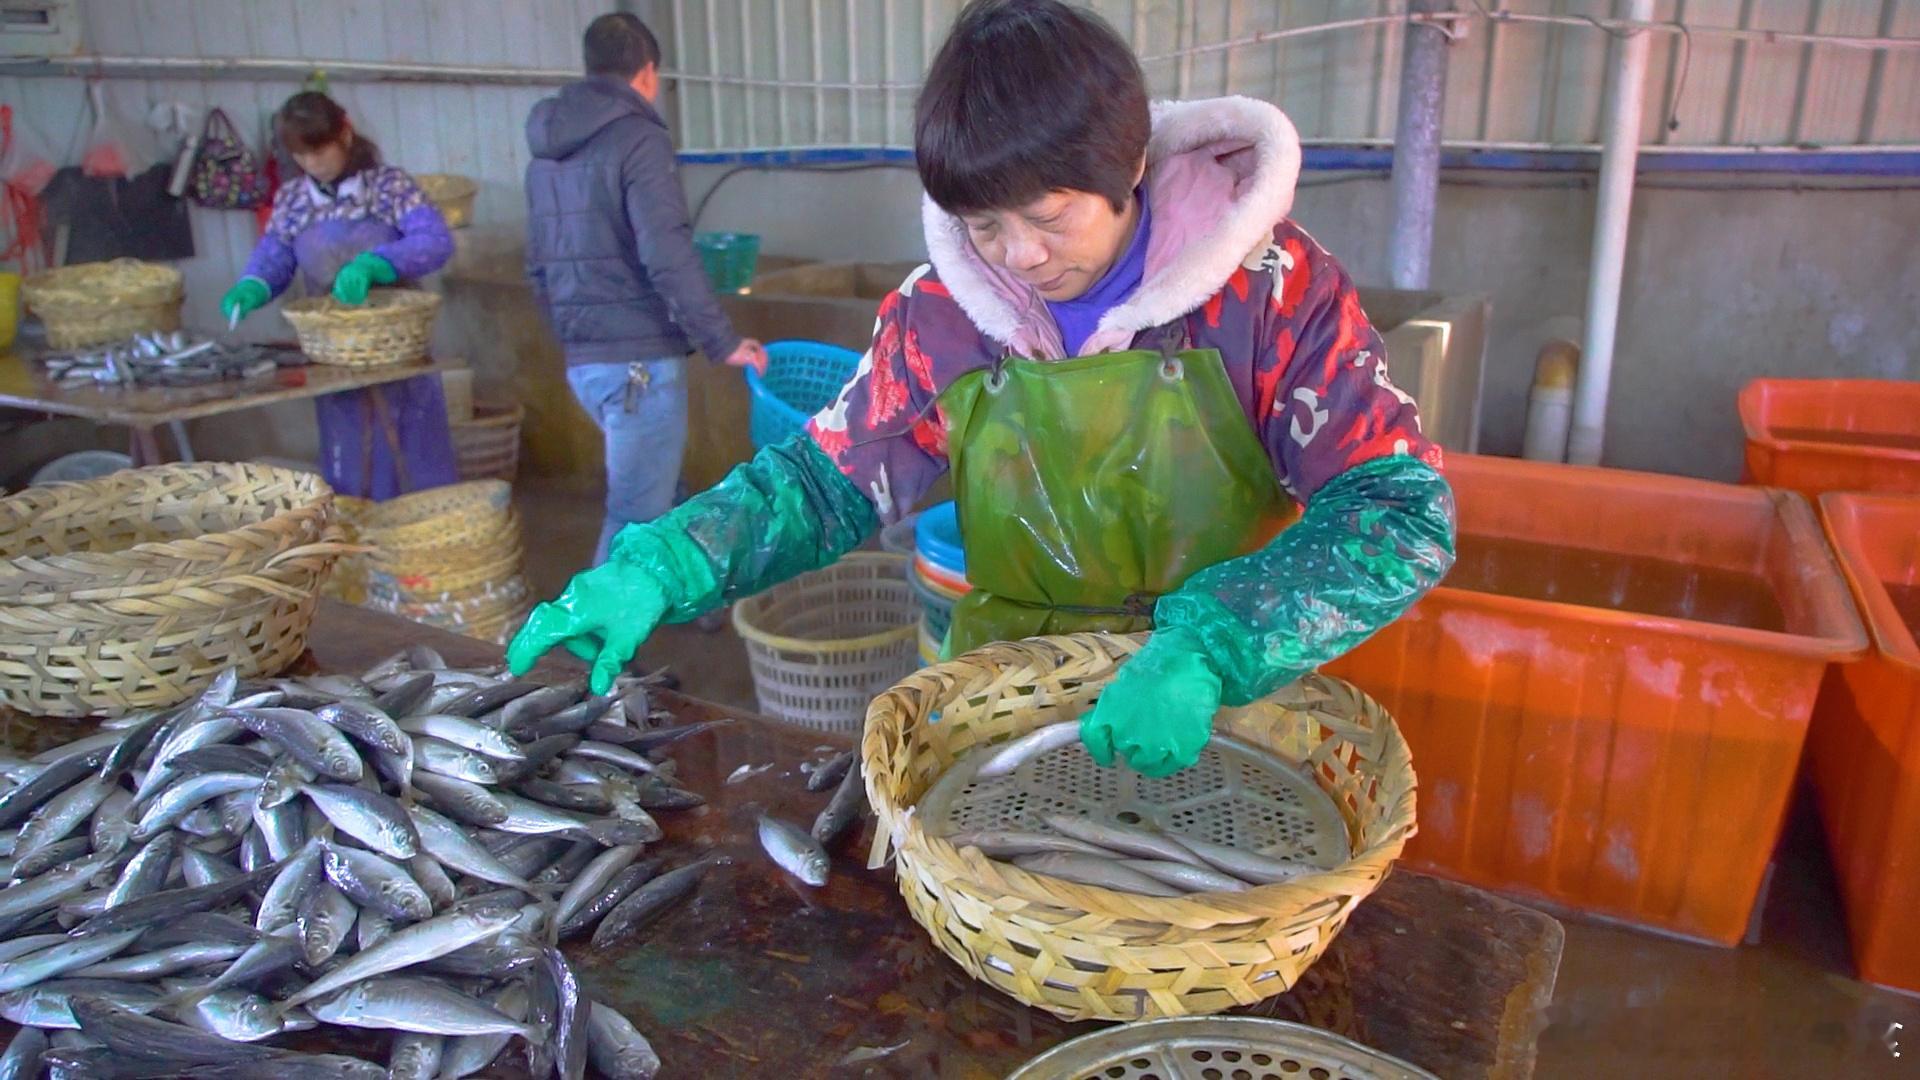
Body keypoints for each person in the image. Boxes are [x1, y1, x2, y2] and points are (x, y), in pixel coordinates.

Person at [509, 0, 1456, 778]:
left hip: (1214, 703)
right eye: (983, 226)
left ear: (1129, 164)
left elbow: (1398, 510)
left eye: (1048, 216)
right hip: (1008, 694)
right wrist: (665, 564)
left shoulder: (1266, 291)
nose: (1021, 257)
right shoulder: (944, 318)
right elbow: (825, 481)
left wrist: (1216, 643)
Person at [524, 12, 768, 565]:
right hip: (638, 364)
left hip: (586, 362)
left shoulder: (546, 155)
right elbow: (666, 250)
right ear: (648, 73)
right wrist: (721, 340)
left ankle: (691, 599)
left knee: (663, 487)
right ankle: (598, 646)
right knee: (634, 516)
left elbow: (536, 265)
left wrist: (573, 339)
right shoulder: (639, 138)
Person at [221, 92, 458, 500]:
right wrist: (254, 283)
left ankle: (424, 544)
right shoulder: (294, 200)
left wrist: (378, 264)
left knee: (413, 456)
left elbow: (435, 240)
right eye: (301, 154)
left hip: (397, 352)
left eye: (320, 149)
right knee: (352, 457)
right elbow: (275, 252)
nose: (313, 163)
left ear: (344, 134)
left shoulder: (388, 186)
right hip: (333, 355)